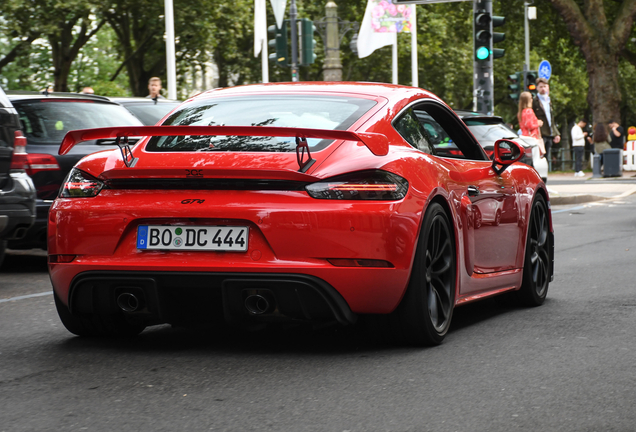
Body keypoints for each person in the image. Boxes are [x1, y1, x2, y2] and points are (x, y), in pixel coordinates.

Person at [532, 78, 561, 164]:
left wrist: (556, 133)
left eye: (544, 86)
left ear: (548, 87)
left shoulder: (549, 100)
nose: (543, 88)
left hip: (549, 133)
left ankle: (544, 176)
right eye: (541, 87)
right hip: (540, 134)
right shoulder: (534, 101)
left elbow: (551, 119)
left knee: (546, 157)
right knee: (539, 156)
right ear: (537, 88)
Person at [518, 91, 546, 156]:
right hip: (532, 137)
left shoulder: (520, 112)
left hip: (524, 136)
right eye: (531, 98)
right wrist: (538, 123)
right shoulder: (529, 111)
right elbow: (530, 125)